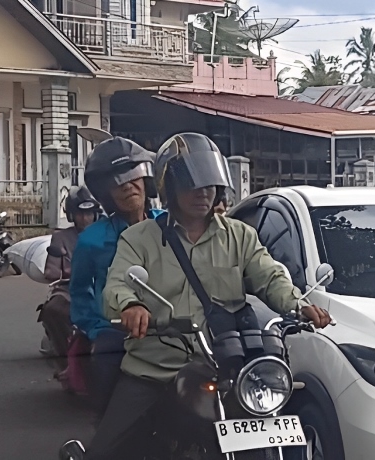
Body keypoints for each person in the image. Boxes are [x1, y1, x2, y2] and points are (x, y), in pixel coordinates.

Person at [87, 133, 331, 459]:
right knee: (105, 450)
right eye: (193, 184)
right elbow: (117, 284)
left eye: (210, 185)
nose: (203, 192)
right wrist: (130, 305)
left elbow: (270, 276)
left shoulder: (239, 236)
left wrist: (298, 305)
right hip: (156, 368)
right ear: (170, 186)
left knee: (267, 426)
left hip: (224, 365)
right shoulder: (138, 239)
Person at [69, 137, 163, 415]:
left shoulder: (169, 226)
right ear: (106, 193)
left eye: (133, 177)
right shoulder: (91, 239)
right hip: (116, 333)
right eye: (117, 182)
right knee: (108, 396)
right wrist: (98, 328)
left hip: (171, 327)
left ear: (147, 181)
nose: (127, 186)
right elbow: (79, 291)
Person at [39, 186, 101, 369]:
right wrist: (69, 269)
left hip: (102, 286)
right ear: (71, 216)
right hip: (69, 288)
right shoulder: (61, 238)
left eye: (89, 213)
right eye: (80, 214)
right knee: (53, 309)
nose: (85, 218)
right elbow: (50, 272)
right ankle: (66, 360)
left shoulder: (105, 234)